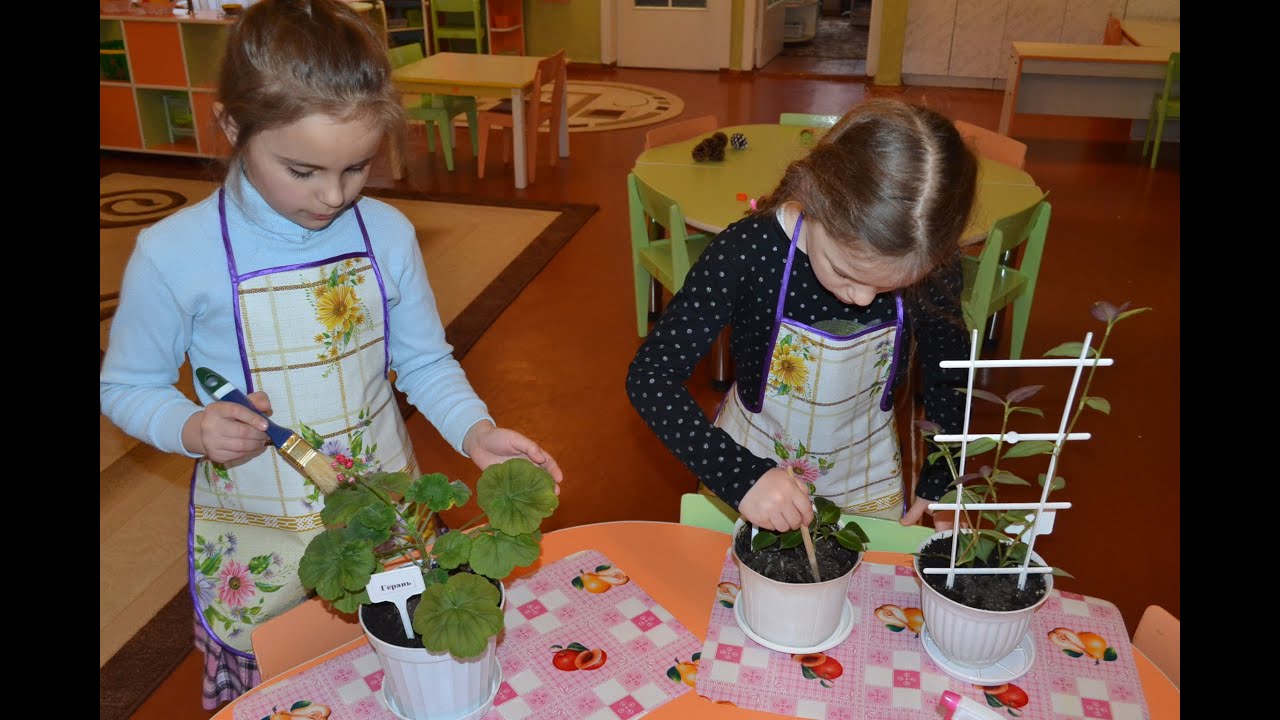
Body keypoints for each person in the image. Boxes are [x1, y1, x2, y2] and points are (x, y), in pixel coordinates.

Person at [98, 0, 563, 708]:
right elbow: (127, 386)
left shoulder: (387, 233)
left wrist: (476, 429)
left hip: (387, 519)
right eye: (303, 170)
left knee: (392, 675)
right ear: (232, 126)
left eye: (356, 168)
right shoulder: (173, 255)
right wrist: (190, 428)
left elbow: (426, 362)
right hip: (260, 534)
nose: (332, 195)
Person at [626, 98, 977, 535]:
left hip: (865, 478)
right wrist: (739, 476)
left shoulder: (932, 259)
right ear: (814, 197)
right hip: (749, 464)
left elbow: (952, 374)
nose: (864, 299)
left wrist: (945, 474)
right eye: (846, 272)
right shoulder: (748, 251)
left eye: (890, 286)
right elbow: (650, 377)